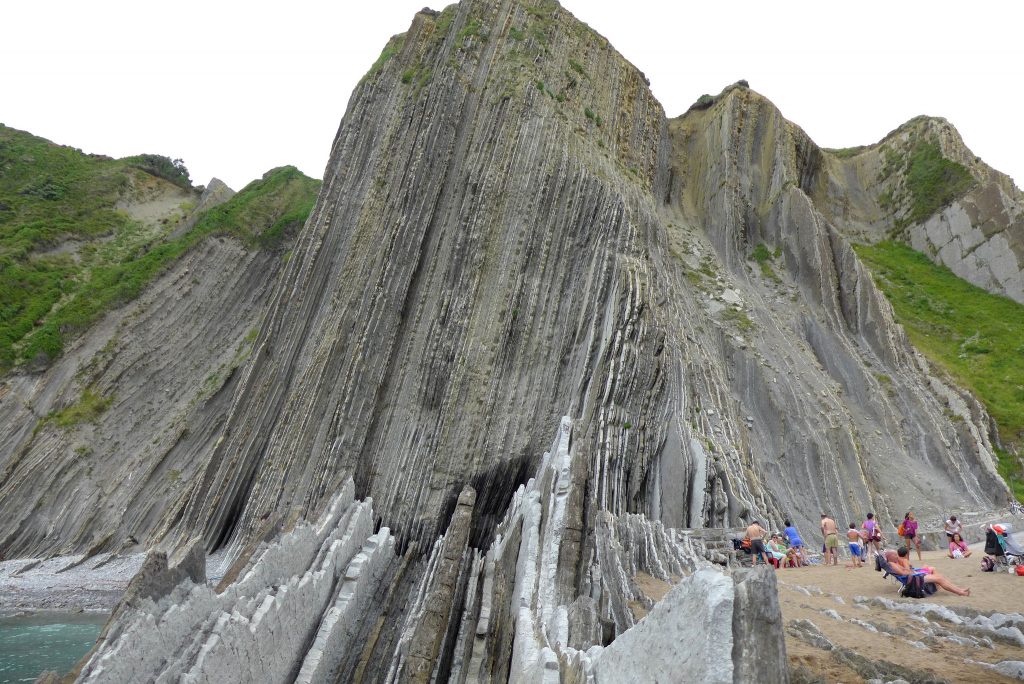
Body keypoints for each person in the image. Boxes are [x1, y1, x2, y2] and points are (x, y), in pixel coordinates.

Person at [892, 547, 970, 596]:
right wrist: (917, 571)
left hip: (914, 575)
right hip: (915, 577)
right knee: (939, 577)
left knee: (933, 570)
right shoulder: (904, 560)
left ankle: (959, 590)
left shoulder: (896, 562)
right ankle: (959, 591)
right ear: (906, 554)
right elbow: (908, 571)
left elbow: (905, 571)